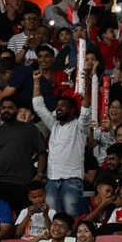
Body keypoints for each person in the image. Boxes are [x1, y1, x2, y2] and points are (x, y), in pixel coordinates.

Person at [34, 67, 93, 216]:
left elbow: (86, 111)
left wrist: (87, 85)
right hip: (51, 180)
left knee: (70, 218)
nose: (59, 108)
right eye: (58, 106)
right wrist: (36, 81)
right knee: (54, 218)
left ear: (72, 110)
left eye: (63, 106)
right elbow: (39, 107)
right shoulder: (54, 125)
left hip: (72, 181)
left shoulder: (79, 126)